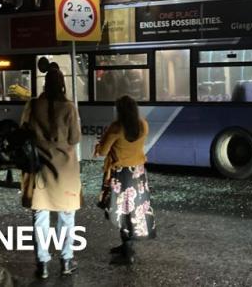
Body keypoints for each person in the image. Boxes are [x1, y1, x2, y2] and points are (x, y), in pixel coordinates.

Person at [20, 68, 81, 279]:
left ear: (44, 84)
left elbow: (23, 130)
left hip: (40, 168)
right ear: (62, 84)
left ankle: (43, 264)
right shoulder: (69, 107)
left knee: (40, 217)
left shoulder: (34, 105)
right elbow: (75, 138)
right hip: (65, 170)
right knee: (67, 217)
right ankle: (66, 260)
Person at [94, 95, 155, 264]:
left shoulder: (116, 128)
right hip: (137, 173)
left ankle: (128, 253)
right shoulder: (143, 124)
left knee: (121, 210)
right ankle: (126, 245)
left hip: (121, 174)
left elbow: (103, 151)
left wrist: (99, 145)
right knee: (133, 210)